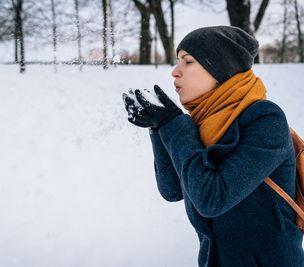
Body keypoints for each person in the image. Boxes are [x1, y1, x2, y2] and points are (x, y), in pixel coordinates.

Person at [123, 26, 304, 267]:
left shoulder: (265, 119)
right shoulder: (201, 121)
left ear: (219, 68)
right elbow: (172, 189)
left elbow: (212, 198)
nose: (175, 72)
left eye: (188, 62)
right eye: (178, 62)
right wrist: (158, 128)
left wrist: (174, 124)